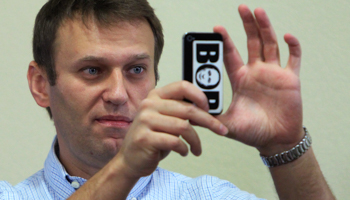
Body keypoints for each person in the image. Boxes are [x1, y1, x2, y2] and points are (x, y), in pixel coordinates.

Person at [0, 0, 335, 199]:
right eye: (92, 70)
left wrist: (284, 148)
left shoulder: (208, 196)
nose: (118, 94)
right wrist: (125, 168)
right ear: (41, 84)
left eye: (135, 70)